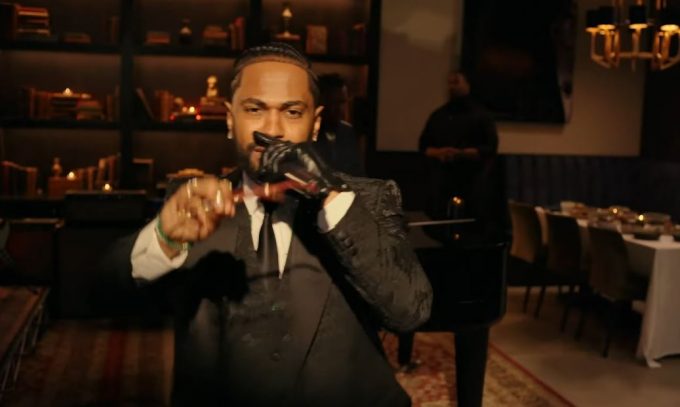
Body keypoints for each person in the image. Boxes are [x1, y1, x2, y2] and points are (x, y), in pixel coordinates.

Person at [109, 42, 432, 406]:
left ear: (315, 124)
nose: (273, 129)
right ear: (230, 119)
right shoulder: (191, 203)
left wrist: (329, 194)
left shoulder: (368, 199)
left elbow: (409, 311)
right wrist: (163, 238)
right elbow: (106, 295)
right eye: (255, 109)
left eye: (292, 112)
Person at [418, 71, 500, 236]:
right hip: (442, 182)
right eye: (449, 83)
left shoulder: (481, 116)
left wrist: (462, 153)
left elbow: (490, 148)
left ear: (468, 85)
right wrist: (440, 152)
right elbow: (424, 146)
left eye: (456, 82)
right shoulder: (439, 115)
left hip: (471, 182)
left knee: (471, 228)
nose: (451, 87)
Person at [312, 73, 365, 176]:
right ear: (320, 101)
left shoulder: (347, 131)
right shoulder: (308, 133)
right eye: (333, 102)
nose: (339, 109)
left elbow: (358, 172)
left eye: (342, 102)